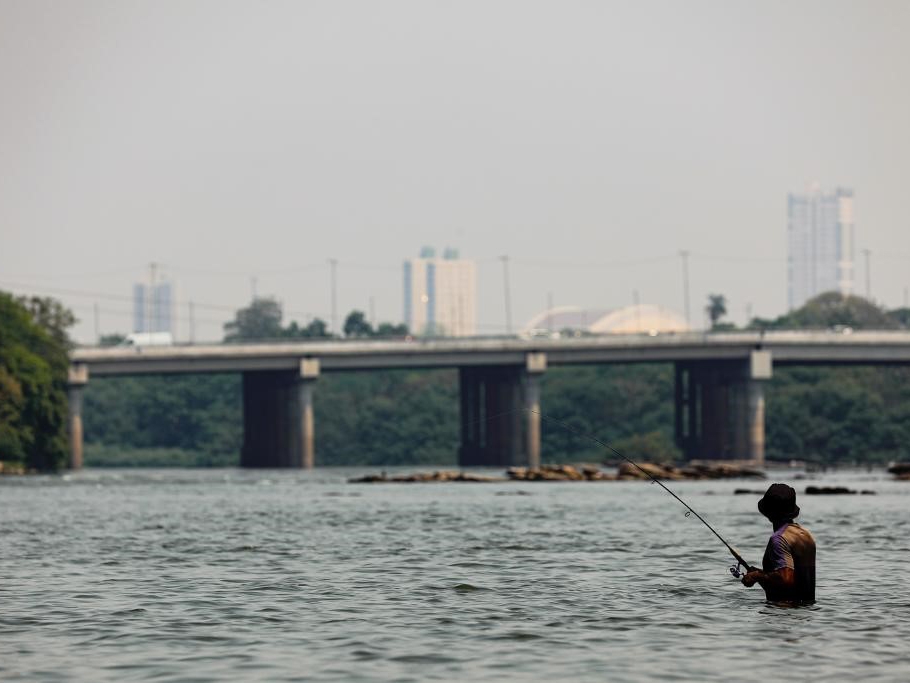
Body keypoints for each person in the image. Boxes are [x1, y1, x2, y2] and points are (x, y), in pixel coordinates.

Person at [741, 483, 816, 604]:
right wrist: (760, 573)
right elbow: (794, 577)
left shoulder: (778, 539)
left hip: (781, 616)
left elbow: (786, 579)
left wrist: (756, 576)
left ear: (768, 513)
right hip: (806, 616)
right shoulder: (806, 534)